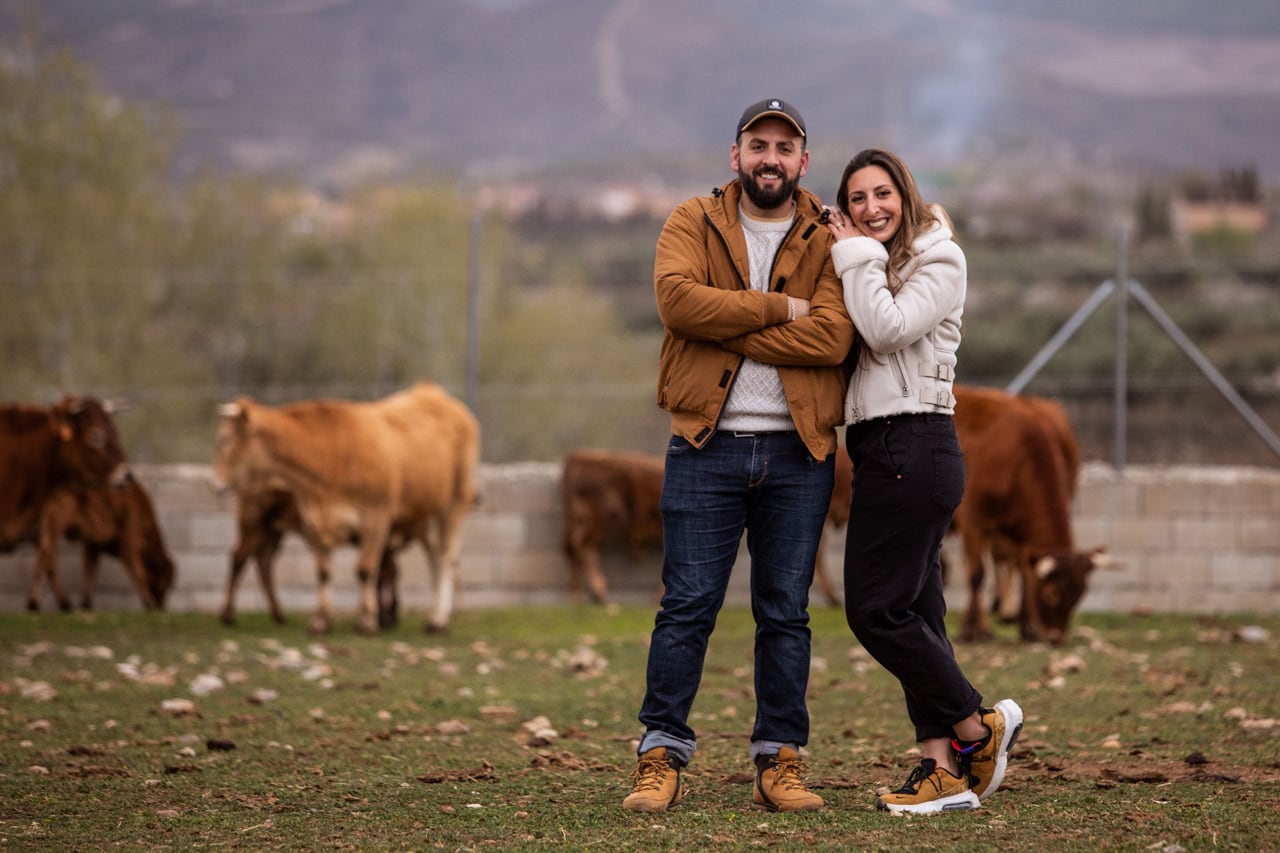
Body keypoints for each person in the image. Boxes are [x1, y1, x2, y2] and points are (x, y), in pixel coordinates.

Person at [622, 98, 854, 814]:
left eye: (785, 148)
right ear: (736, 154)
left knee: (785, 611)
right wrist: (780, 309)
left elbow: (835, 340)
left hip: (799, 453)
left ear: (803, 162)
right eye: (759, 144)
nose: (771, 158)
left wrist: (727, 319)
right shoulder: (692, 220)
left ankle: (778, 761)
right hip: (704, 444)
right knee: (687, 605)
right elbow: (677, 305)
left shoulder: (825, 232)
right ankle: (660, 755)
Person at [825, 147, 1023, 814]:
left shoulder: (939, 256)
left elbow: (886, 331)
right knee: (918, 609)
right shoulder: (881, 264)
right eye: (856, 199)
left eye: (882, 193)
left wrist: (851, 255)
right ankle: (939, 767)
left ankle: (978, 725)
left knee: (874, 609)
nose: (870, 207)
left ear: (904, 197)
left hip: (916, 442)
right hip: (881, 447)